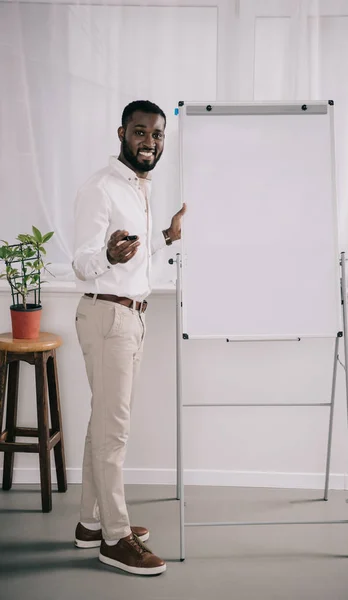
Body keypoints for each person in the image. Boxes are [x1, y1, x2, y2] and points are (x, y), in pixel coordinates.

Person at [72, 100, 186, 576]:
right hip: (108, 318)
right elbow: (82, 262)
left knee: (103, 423)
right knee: (113, 432)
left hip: (132, 317)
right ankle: (115, 539)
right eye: (140, 133)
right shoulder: (102, 187)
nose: (150, 142)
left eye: (157, 135)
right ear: (122, 133)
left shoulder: (139, 188)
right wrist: (109, 259)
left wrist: (166, 234)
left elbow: (134, 249)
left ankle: (88, 524)